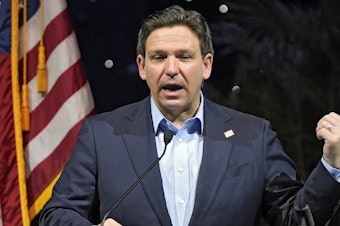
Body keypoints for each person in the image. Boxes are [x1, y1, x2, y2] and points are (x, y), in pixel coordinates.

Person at [39, 5, 340, 226]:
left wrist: (333, 165)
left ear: (206, 65)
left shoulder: (254, 135)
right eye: (159, 57)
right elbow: (57, 214)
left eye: (184, 56)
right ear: (143, 67)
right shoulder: (102, 134)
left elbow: (294, 219)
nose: (171, 69)